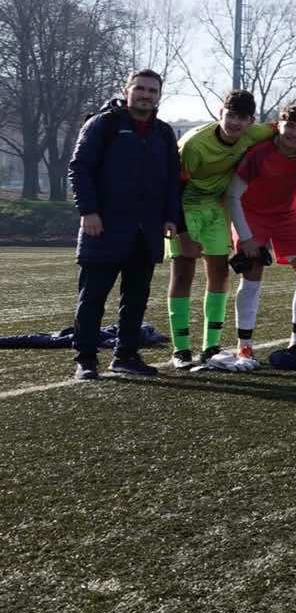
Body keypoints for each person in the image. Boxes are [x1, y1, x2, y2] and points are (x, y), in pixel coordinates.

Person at [66, 69, 182, 380]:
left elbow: (172, 179)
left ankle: (126, 355)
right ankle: (86, 360)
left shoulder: (163, 133)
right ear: (126, 90)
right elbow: (79, 168)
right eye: (140, 88)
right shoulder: (103, 124)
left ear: (159, 96)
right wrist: (88, 211)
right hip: (104, 227)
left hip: (146, 231)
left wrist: (171, 217)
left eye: (152, 91)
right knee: (92, 298)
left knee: (136, 298)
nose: (146, 95)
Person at [165, 89, 277, 368]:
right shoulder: (194, 144)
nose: (235, 122)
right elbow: (172, 188)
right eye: (231, 115)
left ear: (251, 121)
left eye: (242, 118)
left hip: (217, 209)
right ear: (220, 113)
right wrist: (183, 233)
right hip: (185, 208)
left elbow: (288, 127)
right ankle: (181, 350)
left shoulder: (253, 133)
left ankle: (210, 347)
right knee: (183, 274)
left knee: (219, 272)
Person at [227, 105, 296, 361]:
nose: (295, 133)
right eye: (290, 125)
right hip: (251, 216)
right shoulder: (259, 153)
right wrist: (246, 237)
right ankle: (245, 345)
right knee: (252, 272)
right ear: (277, 125)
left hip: (286, 217)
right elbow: (233, 195)